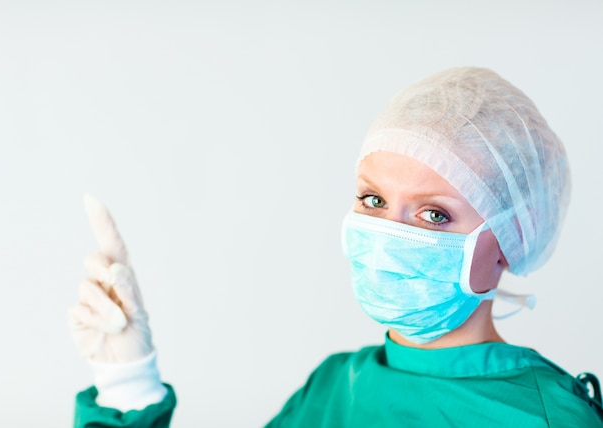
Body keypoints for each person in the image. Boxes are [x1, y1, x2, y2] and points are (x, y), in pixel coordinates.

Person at [69, 67, 603, 427]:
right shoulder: (328, 392)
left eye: (433, 214)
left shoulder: (546, 415)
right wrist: (127, 382)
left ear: (509, 239)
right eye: (373, 200)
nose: (389, 234)